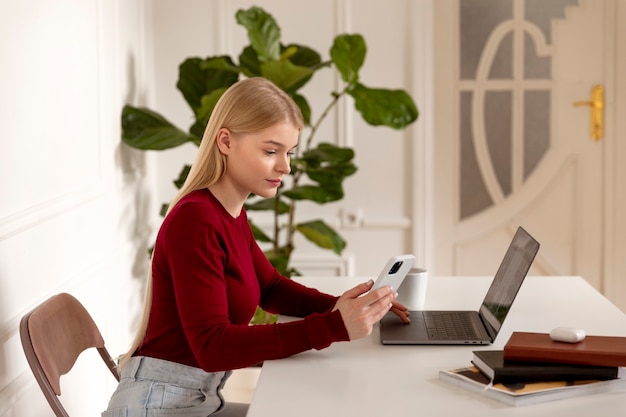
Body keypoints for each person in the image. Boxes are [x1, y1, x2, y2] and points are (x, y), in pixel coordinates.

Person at [102, 77, 410, 417]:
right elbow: (212, 347)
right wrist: (333, 326)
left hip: (193, 397)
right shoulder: (196, 220)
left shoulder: (227, 210)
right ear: (226, 141)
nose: (285, 166)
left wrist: (347, 308)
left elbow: (271, 287)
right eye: (270, 151)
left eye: (289, 153)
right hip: (159, 405)